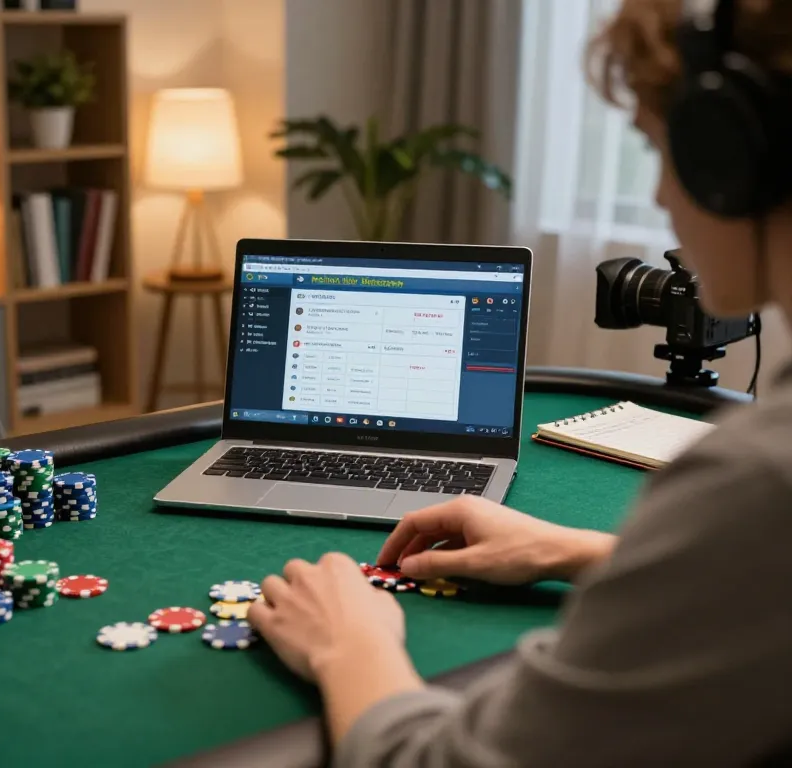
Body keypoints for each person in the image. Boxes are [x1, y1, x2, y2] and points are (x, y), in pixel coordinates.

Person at [246, 1, 792, 765]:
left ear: (732, 158)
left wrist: (349, 645)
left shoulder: (759, 478)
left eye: (658, 150)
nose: (662, 199)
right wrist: (575, 550)